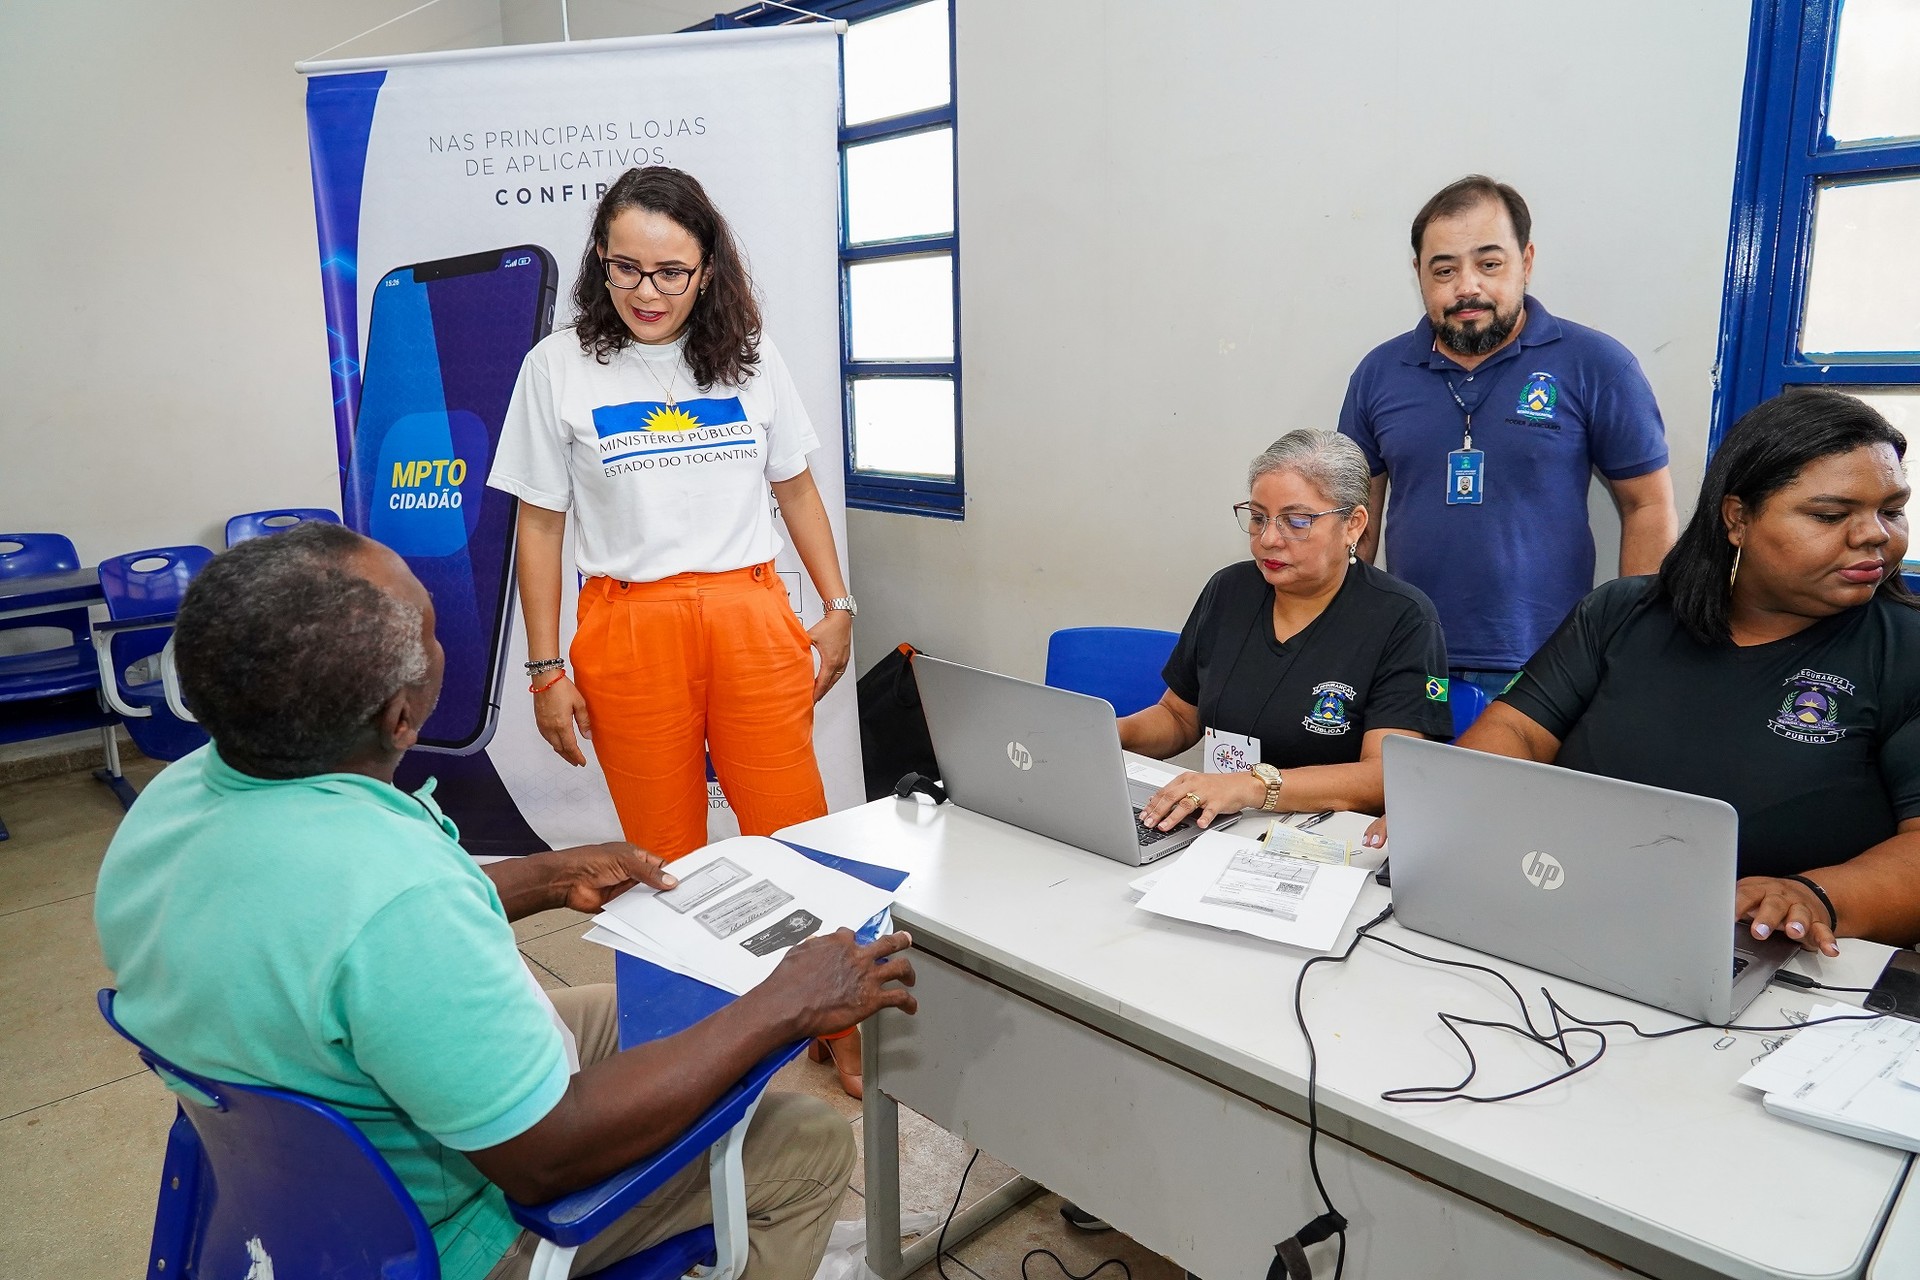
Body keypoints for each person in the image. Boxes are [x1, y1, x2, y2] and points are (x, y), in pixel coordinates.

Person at [94, 522, 918, 1280]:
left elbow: (342, 936)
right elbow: (546, 1157)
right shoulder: (397, 893)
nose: (442, 636)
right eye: (431, 628)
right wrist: (783, 1003)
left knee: (633, 1006)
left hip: (292, 1175)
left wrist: (549, 877)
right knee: (805, 1142)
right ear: (402, 715)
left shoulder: (174, 803)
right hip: (452, 1232)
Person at [489, 166, 867, 1096]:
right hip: (629, 623)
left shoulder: (748, 354)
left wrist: (838, 603)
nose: (647, 294)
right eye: (626, 270)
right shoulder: (559, 366)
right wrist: (544, 669)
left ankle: (840, 1029)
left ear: (708, 269)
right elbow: (538, 523)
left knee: (795, 839)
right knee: (663, 855)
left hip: (749, 612)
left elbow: (795, 489)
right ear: (600, 264)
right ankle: (686, 1044)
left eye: (672, 273)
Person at [1369, 390, 1920, 955]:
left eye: (1892, 510)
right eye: (1830, 515)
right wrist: (1452, 800)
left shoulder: (1904, 651)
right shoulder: (1622, 613)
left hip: (1769, 958)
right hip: (1565, 911)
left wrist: (1815, 895)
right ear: (1737, 519)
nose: (1874, 534)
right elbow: (1518, 731)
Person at [1338, 174, 1679, 702]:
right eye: (1444, 270)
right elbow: (1354, 521)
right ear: (1419, 275)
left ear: (1527, 260)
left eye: (1489, 264)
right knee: (1404, 788)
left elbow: (1647, 506)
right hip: (1407, 656)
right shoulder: (1379, 374)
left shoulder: (1597, 365)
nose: (1466, 286)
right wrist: (1345, 632)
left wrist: (1630, 641)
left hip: (1550, 662)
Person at [1130, 429, 1453, 832]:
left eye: (1296, 521)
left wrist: (1250, 787)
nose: (1268, 539)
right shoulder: (1229, 590)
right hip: (1217, 824)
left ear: (1353, 524)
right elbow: (1179, 717)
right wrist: (1107, 734)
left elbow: (1382, 775)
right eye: (1258, 518)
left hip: (1327, 837)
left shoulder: (1403, 618)